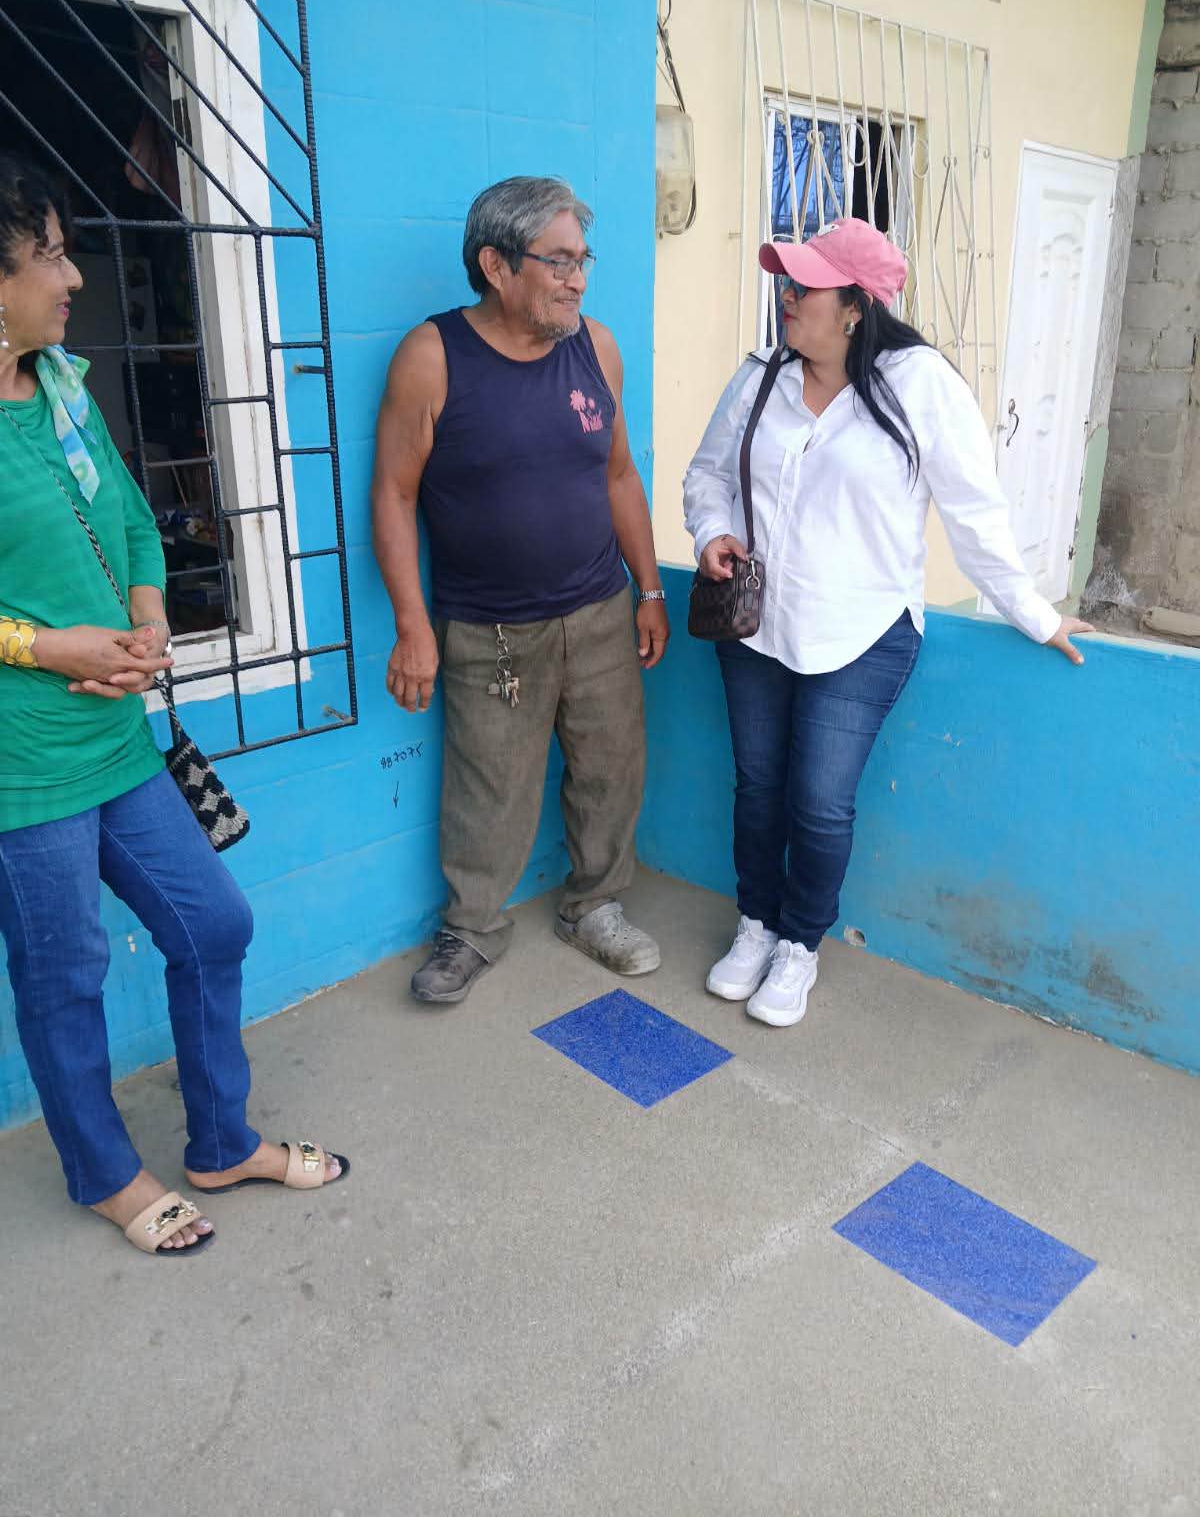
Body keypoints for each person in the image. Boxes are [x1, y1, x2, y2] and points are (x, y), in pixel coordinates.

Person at [0, 152, 347, 1258]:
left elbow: (134, 524)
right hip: (23, 763)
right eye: (51, 255)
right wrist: (47, 646)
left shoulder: (61, 389)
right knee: (65, 977)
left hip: (116, 738)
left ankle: (221, 1140)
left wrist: (147, 617)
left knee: (215, 922)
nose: (75, 278)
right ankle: (106, 1175)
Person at [683, 217, 1089, 1029]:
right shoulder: (760, 375)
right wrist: (711, 533)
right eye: (787, 281)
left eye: (806, 286)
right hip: (757, 625)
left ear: (856, 307)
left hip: (863, 631)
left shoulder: (920, 385)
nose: (787, 296)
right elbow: (707, 477)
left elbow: (975, 515)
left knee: (819, 802)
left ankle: (800, 944)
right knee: (758, 787)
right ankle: (756, 924)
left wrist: (1037, 616)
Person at [373, 175, 669, 1004]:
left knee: (610, 768)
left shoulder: (596, 348)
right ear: (496, 266)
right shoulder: (433, 356)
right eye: (559, 261)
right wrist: (412, 626)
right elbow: (393, 494)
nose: (577, 280)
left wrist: (648, 590)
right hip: (490, 630)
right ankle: (472, 928)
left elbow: (619, 475)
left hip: (600, 610)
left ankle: (594, 906)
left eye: (583, 261)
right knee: (489, 786)